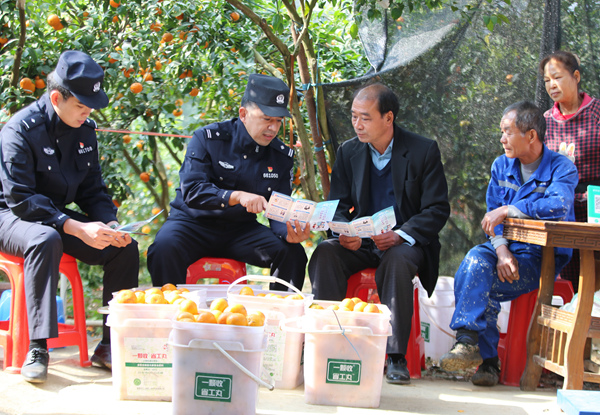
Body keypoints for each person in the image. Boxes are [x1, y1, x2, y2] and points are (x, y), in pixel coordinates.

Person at [0, 50, 139, 383]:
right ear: (56, 98)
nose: (87, 112)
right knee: (44, 238)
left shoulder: (84, 130)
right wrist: (74, 227)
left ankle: (109, 346)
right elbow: (21, 199)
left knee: (124, 248)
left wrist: (110, 225)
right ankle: (38, 347)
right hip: (11, 215)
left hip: (57, 217)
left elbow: (93, 190)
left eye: (90, 106)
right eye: (80, 105)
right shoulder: (19, 130)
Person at [308, 83, 450, 385]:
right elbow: (337, 205)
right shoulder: (349, 152)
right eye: (353, 117)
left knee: (397, 261)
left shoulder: (423, 150)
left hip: (404, 244)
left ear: (388, 118)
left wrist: (401, 234)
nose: (357, 124)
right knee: (325, 253)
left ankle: (396, 357)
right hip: (362, 241)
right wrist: (343, 230)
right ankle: (327, 340)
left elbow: (437, 208)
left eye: (365, 118)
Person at [438, 101, 577, 386]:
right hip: (504, 248)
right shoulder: (501, 165)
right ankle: (468, 341)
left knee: (476, 278)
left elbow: (558, 204)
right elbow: (492, 214)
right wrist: (501, 252)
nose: (502, 139)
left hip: (539, 258)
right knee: (476, 260)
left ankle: (485, 360)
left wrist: (511, 209)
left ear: (531, 136)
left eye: (507, 132)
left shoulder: (562, 167)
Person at [147, 74, 310, 291]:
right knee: (163, 248)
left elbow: (279, 207)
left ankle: (277, 318)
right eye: (266, 119)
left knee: (293, 252)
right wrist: (237, 196)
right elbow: (193, 191)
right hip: (191, 224)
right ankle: (170, 317)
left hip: (240, 231)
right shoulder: (208, 138)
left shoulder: (280, 156)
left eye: (278, 121)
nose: (273, 128)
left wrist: (288, 231)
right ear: (243, 114)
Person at [539, 50, 600, 292]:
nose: (552, 85)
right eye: (546, 81)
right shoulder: (544, 122)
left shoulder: (597, 113)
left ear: (576, 76)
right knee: (571, 281)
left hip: (596, 208)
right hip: (562, 211)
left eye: (557, 77)